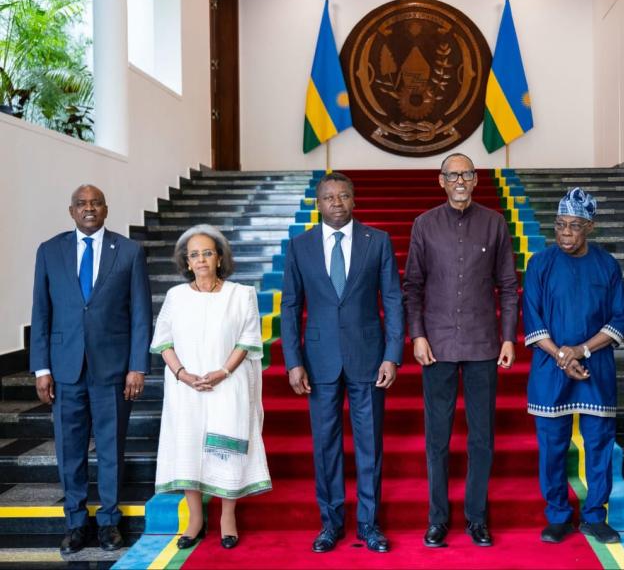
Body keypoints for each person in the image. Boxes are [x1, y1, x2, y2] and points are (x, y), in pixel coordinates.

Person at [281, 172, 404, 554]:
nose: (337, 202)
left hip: (368, 358)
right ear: (318, 203)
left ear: (354, 201)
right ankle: (330, 523)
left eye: (344, 196)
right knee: (325, 445)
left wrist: (392, 354)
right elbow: (290, 306)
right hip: (318, 362)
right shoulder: (299, 246)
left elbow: (394, 299)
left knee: (369, 445)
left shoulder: (377, 241)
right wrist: (292, 361)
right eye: (329, 197)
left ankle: (369, 524)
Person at [404, 153, 518, 548]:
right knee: (437, 438)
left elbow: (507, 285)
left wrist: (507, 338)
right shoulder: (424, 225)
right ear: (440, 180)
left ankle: (476, 518)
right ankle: (437, 519)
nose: (459, 180)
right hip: (435, 346)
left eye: (466, 174)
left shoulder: (495, 223)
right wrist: (417, 335)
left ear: (475, 179)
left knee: (481, 438)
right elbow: (413, 287)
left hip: (483, 343)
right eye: (452, 175)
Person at [30, 185, 152, 554]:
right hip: (65, 369)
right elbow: (40, 313)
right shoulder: (50, 251)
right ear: (71, 211)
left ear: (106, 209)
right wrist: (41, 368)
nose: (89, 209)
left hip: (113, 369)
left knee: (112, 448)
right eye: (81, 204)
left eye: (95, 203)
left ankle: (110, 522)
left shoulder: (129, 252)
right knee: (70, 450)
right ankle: (75, 522)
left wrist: (137, 367)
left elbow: (141, 316)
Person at [150, 224, 271, 550]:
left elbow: (247, 340)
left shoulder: (240, 294)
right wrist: (182, 374)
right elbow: (164, 342)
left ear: (219, 258)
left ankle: (227, 517)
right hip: (186, 389)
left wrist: (221, 372)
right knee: (189, 447)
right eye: (194, 255)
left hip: (226, 384)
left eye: (207, 253)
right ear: (186, 262)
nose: (201, 259)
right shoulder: (176, 297)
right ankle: (195, 519)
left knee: (225, 450)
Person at [522, 188, 624, 544]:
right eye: (559, 225)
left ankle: (595, 516)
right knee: (552, 445)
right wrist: (561, 356)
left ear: (590, 227)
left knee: (599, 443)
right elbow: (533, 317)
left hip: (594, 368)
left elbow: (619, 319)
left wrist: (580, 351)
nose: (565, 233)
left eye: (574, 226)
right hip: (550, 368)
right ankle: (557, 515)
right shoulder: (540, 263)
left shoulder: (606, 264)